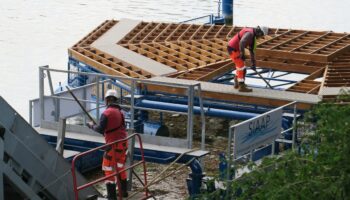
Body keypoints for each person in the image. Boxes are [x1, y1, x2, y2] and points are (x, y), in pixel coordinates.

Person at [87, 89, 128, 199]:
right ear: (115, 100)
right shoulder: (120, 112)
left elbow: (100, 129)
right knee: (120, 166)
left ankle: (112, 196)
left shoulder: (106, 113)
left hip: (114, 146)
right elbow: (119, 128)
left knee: (107, 168)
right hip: (123, 144)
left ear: (106, 100)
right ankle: (124, 191)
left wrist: (91, 125)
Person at [227, 26, 269, 92]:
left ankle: (237, 82)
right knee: (241, 67)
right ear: (259, 32)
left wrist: (253, 63)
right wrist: (242, 53)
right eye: (262, 35)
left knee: (242, 68)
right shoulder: (250, 34)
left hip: (236, 49)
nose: (261, 37)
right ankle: (241, 86)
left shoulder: (253, 38)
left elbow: (252, 51)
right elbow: (242, 42)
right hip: (232, 48)